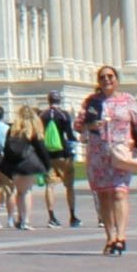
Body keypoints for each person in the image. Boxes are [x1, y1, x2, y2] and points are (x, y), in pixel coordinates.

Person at [78, 65, 137, 256]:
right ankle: (110, 237)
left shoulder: (127, 100)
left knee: (120, 193)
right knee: (104, 196)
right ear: (98, 81)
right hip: (98, 153)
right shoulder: (91, 101)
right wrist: (90, 124)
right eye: (102, 77)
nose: (107, 79)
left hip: (119, 152)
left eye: (110, 76)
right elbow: (78, 125)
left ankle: (121, 236)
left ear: (117, 79)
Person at [0, 105, 54, 230]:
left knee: (19, 192)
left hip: (14, 164)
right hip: (28, 164)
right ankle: (26, 220)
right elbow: (42, 150)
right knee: (27, 191)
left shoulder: (12, 130)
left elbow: (6, 149)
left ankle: (20, 217)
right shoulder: (33, 130)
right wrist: (47, 166)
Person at [42, 90, 83, 226]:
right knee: (69, 185)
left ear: (48, 100)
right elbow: (69, 135)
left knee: (50, 185)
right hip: (63, 153)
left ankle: (51, 216)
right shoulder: (63, 115)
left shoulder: (43, 115)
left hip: (47, 154)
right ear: (59, 100)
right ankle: (72, 215)